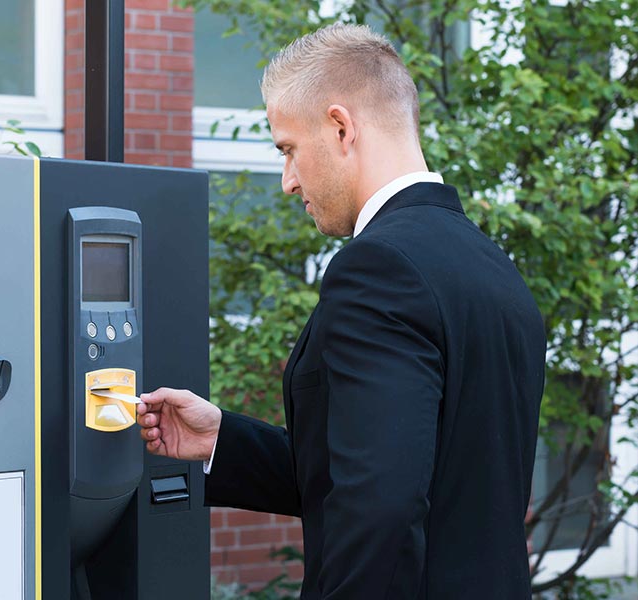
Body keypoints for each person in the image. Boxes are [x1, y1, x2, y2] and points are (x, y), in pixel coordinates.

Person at [137, 22, 546, 599]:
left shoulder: (378, 269)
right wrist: (222, 439)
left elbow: (380, 508)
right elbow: (419, 471)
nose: (287, 180)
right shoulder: (492, 265)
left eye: (288, 149)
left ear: (340, 127)